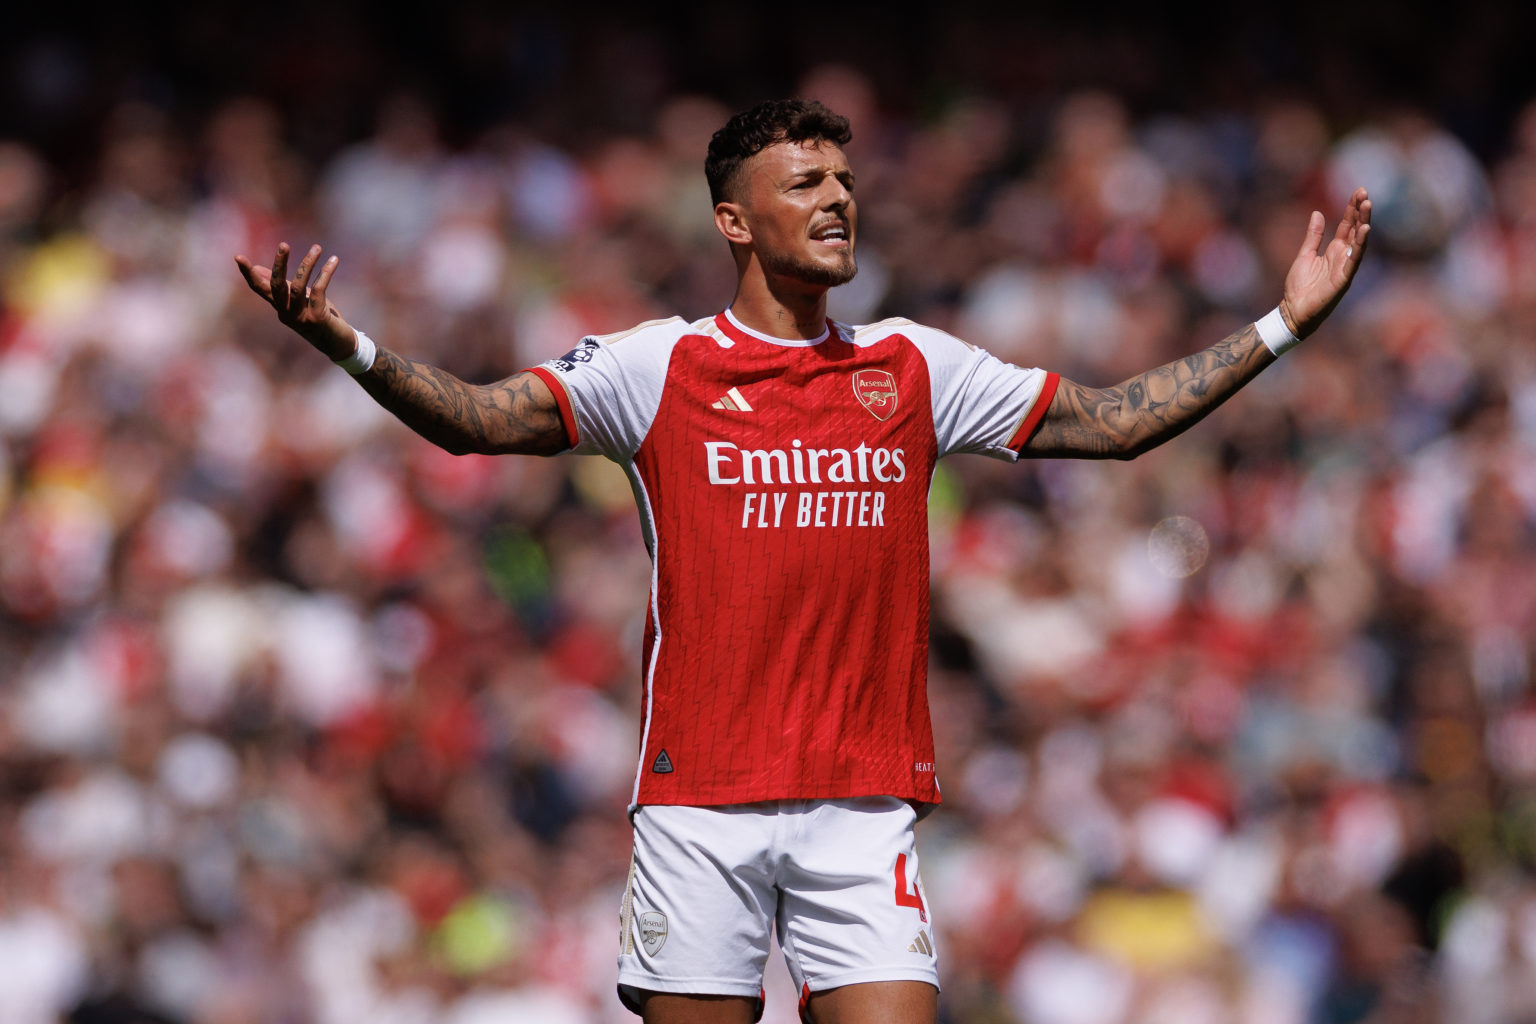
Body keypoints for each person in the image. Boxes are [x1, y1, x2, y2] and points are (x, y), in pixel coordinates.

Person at [236, 99, 1371, 1024]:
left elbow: (1117, 421)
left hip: (860, 804)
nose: (837, 202)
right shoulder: (659, 367)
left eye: (844, 182)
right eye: (806, 184)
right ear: (735, 221)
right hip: (702, 804)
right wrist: (352, 345)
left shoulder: (911, 366)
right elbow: (477, 422)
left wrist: (1283, 324)